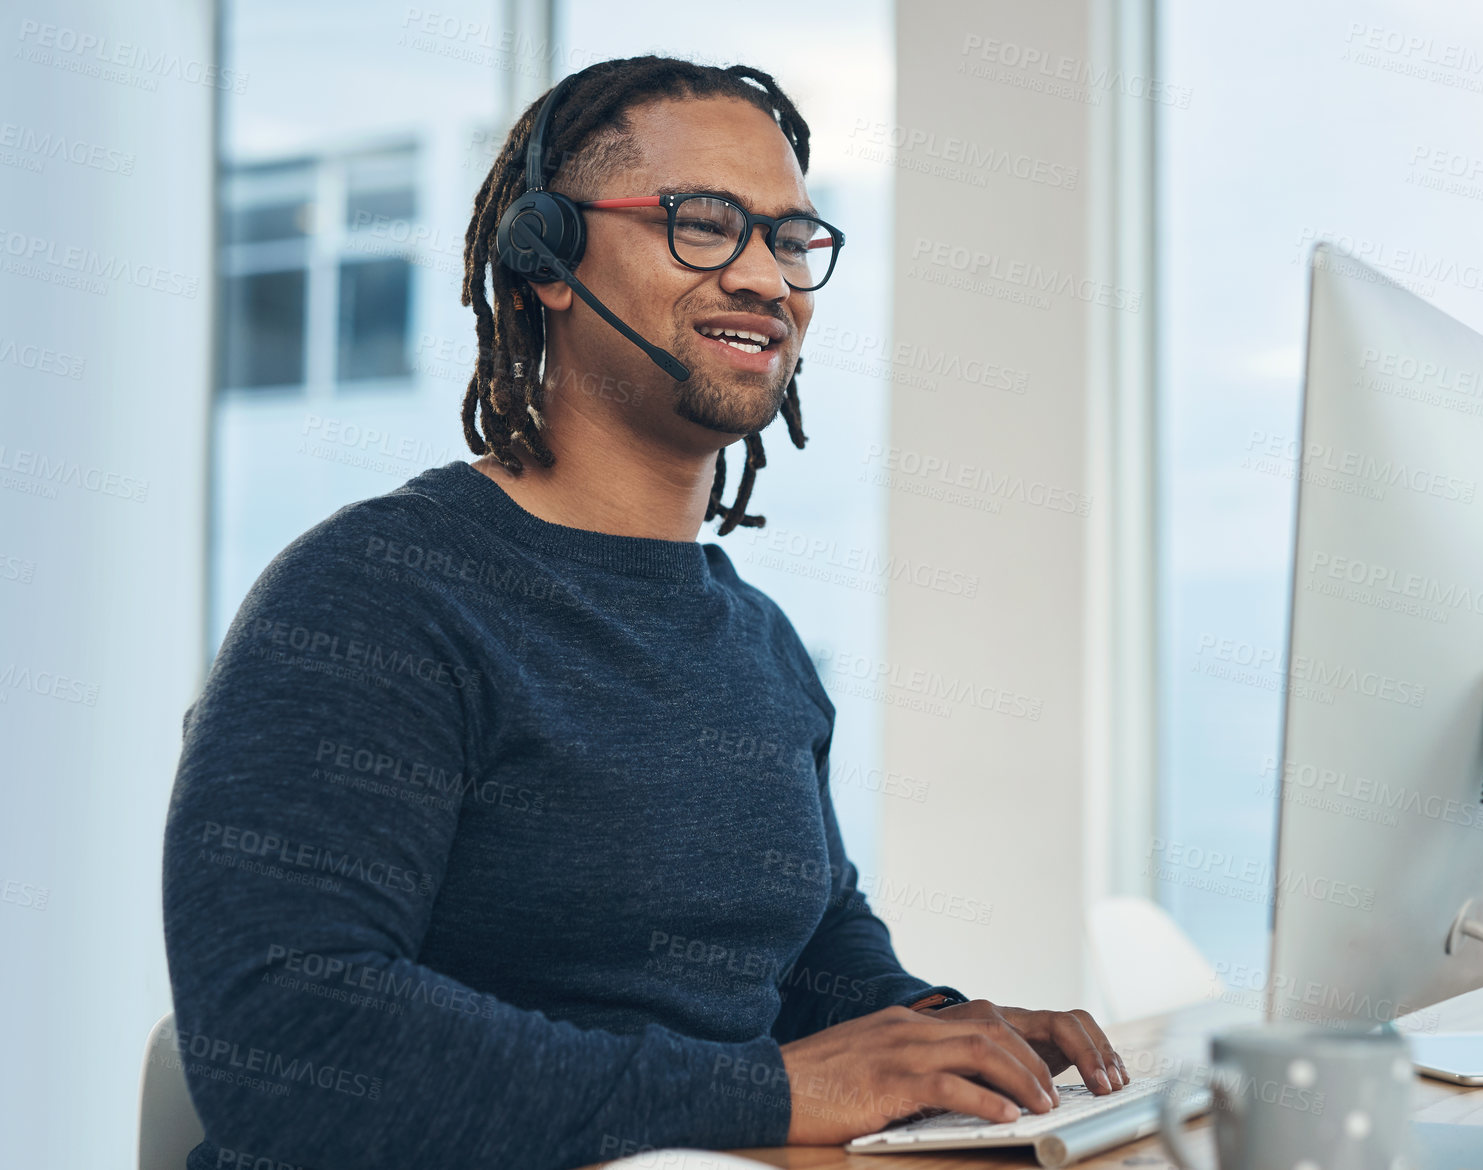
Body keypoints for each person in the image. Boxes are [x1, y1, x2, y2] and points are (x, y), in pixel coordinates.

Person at [162, 54, 1127, 1170]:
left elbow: (805, 945)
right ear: (544, 261)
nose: (767, 278)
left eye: (791, 238)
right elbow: (284, 1038)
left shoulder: (755, 639)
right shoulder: (375, 596)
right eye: (704, 224)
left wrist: (940, 1033)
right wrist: (761, 1092)